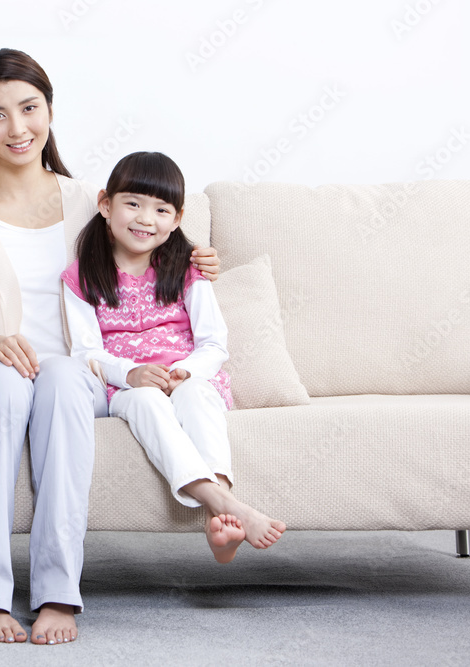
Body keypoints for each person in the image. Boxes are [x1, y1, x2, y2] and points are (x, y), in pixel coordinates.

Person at [0, 50, 221, 646]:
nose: (17, 128)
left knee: (60, 376)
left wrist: (197, 257)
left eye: (29, 109)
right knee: (12, 381)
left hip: (82, 370)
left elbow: (151, 246)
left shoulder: (90, 199)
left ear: (50, 111)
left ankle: (58, 592)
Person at [61, 151, 285, 564]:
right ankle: (228, 507)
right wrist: (132, 374)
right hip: (126, 386)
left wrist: (186, 372)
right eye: (133, 203)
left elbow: (214, 342)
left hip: (189, 378)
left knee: (198, 396)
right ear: (105, 205)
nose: (146, 218)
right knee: (146, 402)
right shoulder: (82, 275)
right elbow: (84, 351)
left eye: (161, 209)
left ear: (177, 219)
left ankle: (221, 515)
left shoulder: (186, 269)